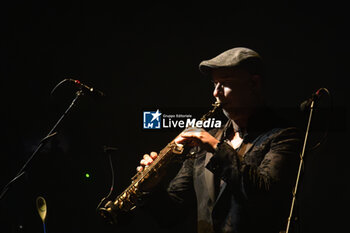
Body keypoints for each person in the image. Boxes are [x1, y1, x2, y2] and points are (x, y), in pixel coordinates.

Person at [137, 47, 301, 233]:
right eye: (215, 84)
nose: (216, 92)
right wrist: (152, 188)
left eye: (225, 82)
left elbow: (265, 197)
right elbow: (172, 216)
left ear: (254, 84)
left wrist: (216, 148)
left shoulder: (283, 135)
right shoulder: (206, 142)